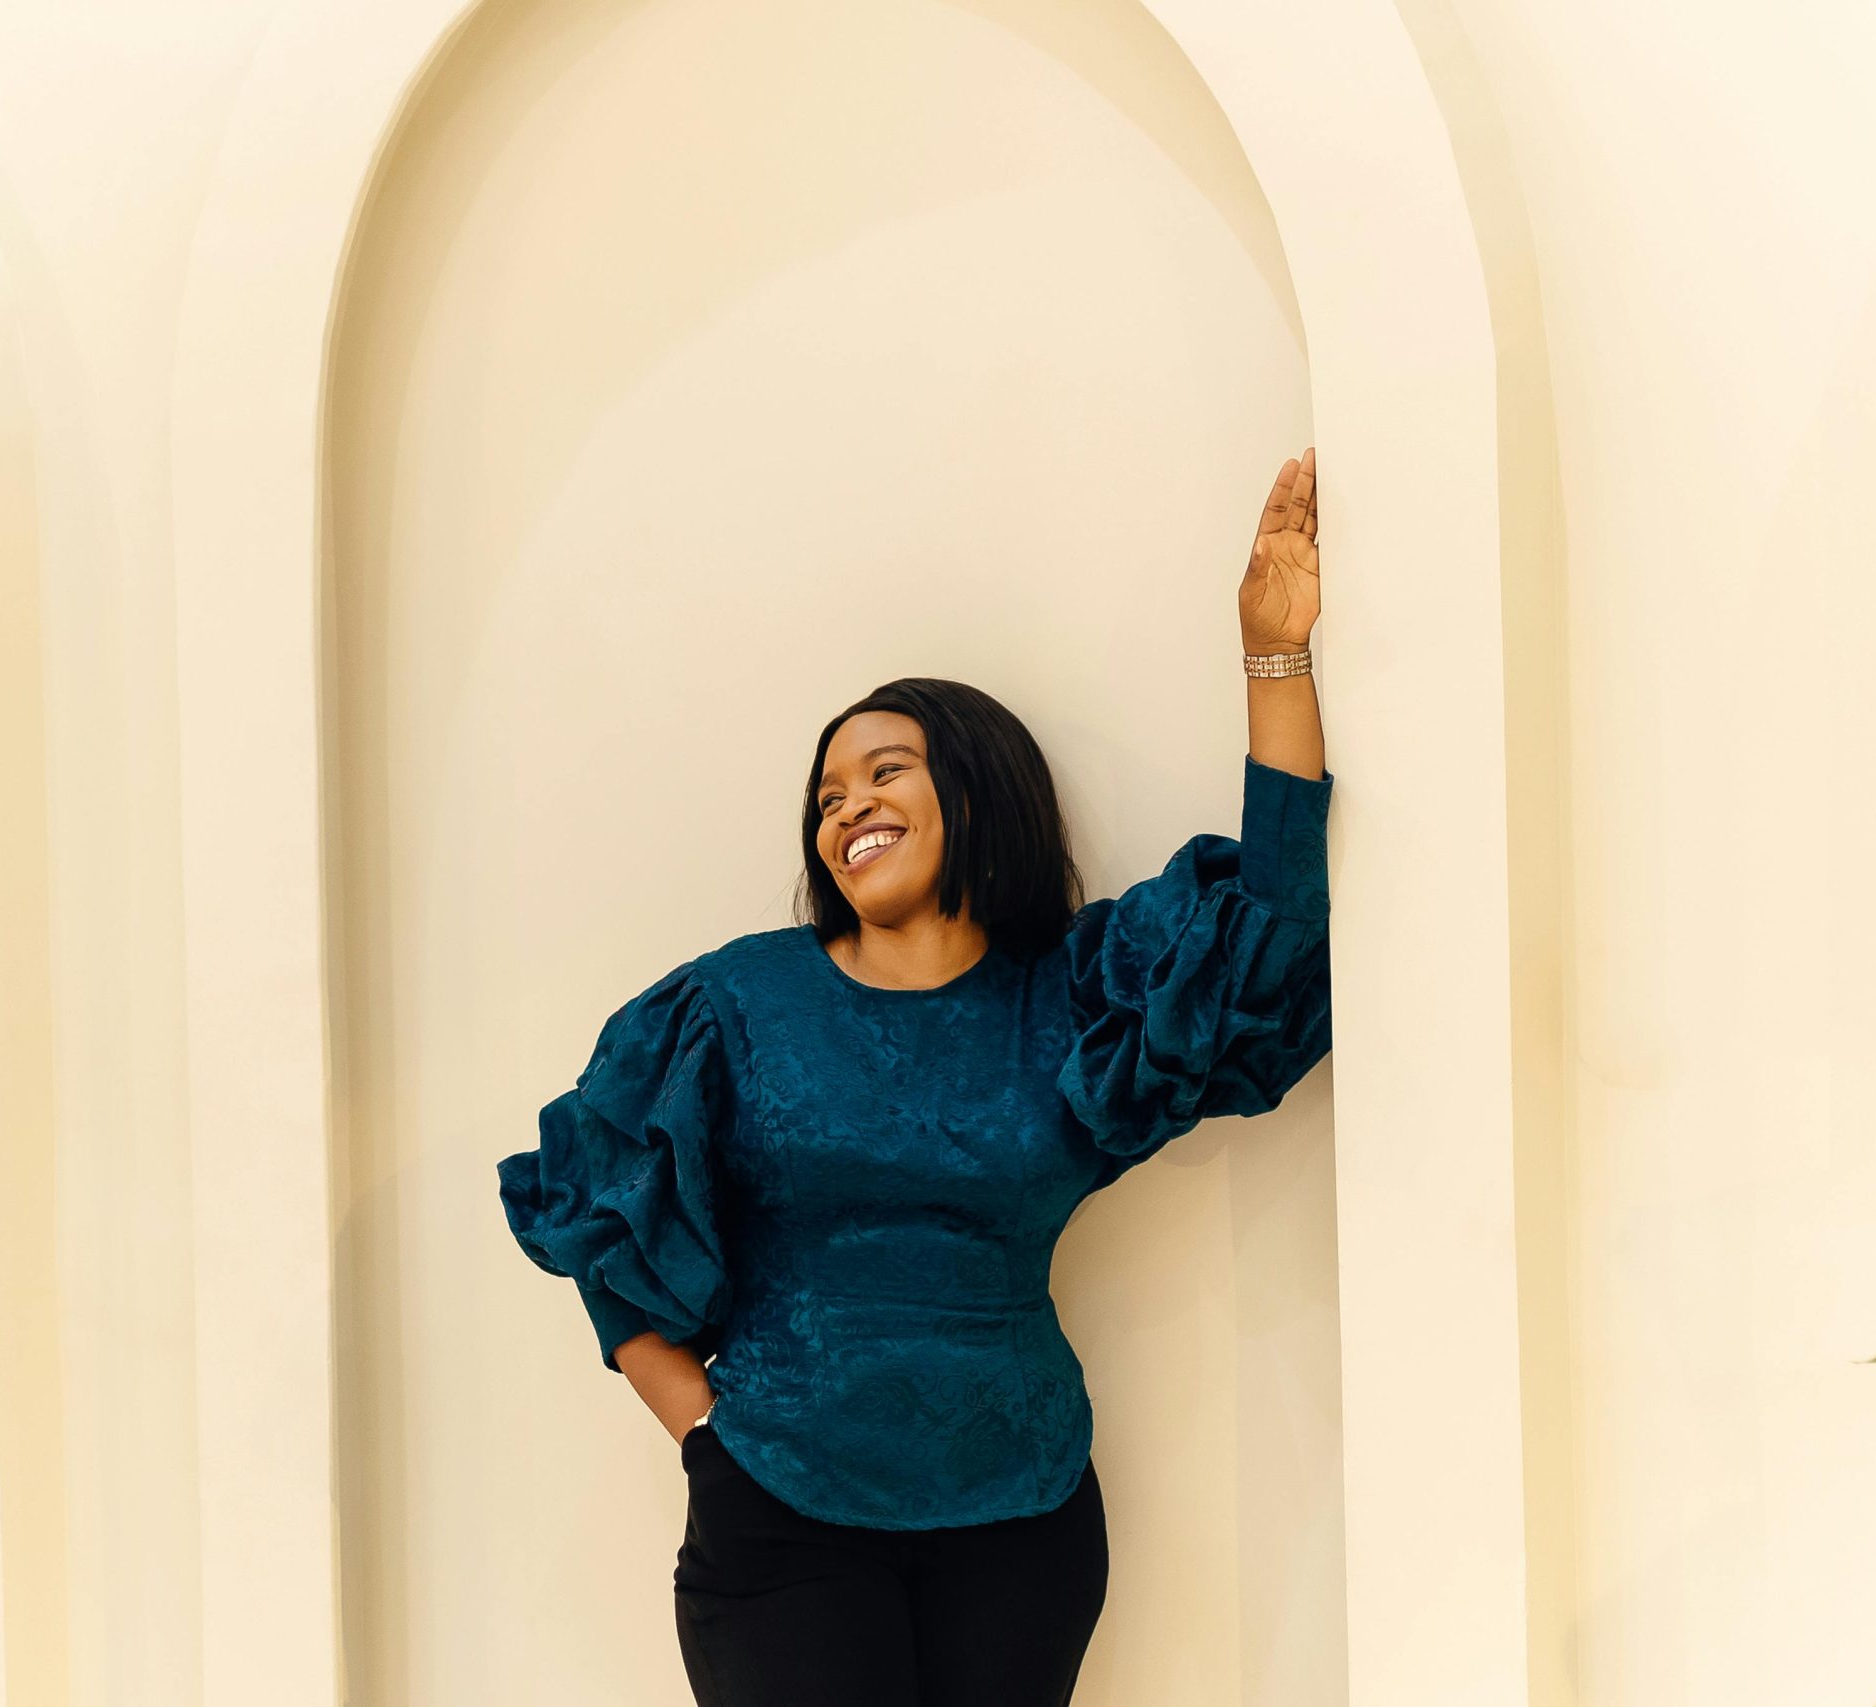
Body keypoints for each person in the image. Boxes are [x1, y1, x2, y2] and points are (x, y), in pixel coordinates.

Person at [496, 447, 1333, 1706]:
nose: (849, 808)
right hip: (780, 1507)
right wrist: (703, 1438)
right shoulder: (734, 1001)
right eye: (828, 793)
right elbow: (595, 1211)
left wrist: (1275, 656)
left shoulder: (1076, 996)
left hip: (1024, 1512)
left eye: (885, 769)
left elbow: (1271, 930)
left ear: (975, 788)